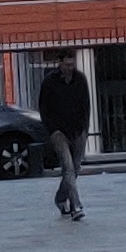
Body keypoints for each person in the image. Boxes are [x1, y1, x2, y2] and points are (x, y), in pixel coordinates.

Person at [33, 55, 92, 222]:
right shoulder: (50, 82)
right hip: (58, 132)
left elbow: (86, 105)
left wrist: (84, 129)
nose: (69, 68)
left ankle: (60, 198)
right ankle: (76, 206)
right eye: (66, 64)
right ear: (60, 64)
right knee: (68, 167)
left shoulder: (80, 80)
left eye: (72, 64)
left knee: (76, 167)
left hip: (77, 130)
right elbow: (44, 108)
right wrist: (52, 130)